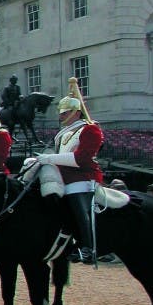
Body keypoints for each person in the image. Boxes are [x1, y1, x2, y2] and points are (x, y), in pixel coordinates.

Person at [25, 78, 104, 265]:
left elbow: (80, 159)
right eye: (61, 112)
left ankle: (88, 247)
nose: (61, 116)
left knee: (76, 199)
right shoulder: (63, 132)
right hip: (62, 176)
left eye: (65, 112)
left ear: (77, 112)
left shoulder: (90, 129)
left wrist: (50, 158)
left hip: (82, 176)